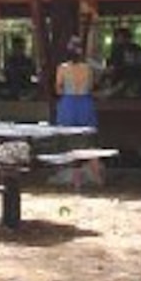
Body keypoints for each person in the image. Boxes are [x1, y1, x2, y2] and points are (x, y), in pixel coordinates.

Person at [54, 36, 102, 187]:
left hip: (68, 104)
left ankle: (76, 180)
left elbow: (58, 88)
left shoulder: (62, 68)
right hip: (85, 102)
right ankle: (97, 176)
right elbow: (92, 86)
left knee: (70, 142)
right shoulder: (87, 68)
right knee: (88, 141)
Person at [108, 27, 141, 97]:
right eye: (117, 37)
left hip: (129, 76)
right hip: (126, 77)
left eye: (119, 37)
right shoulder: (118, 50)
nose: (117, 39)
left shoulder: (134, 49)